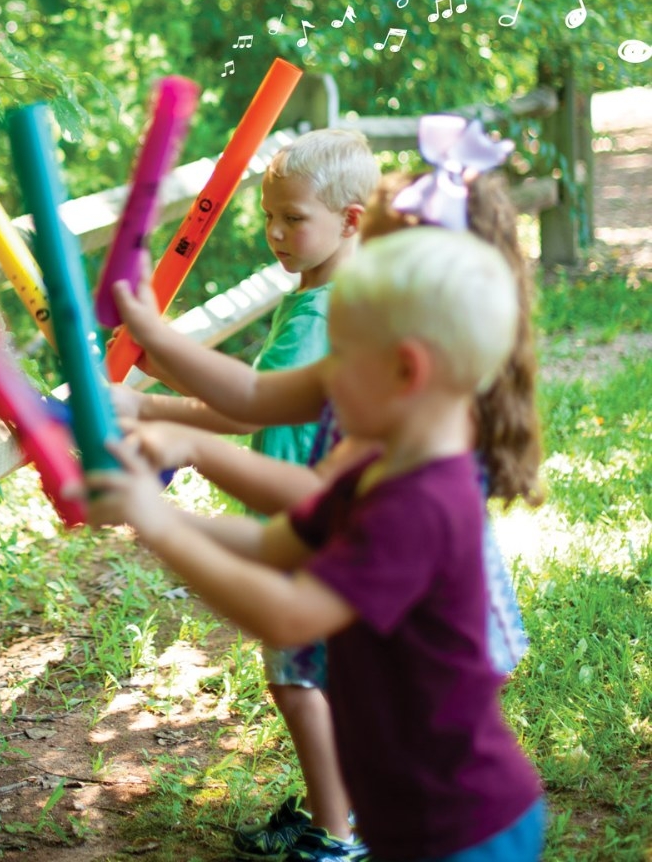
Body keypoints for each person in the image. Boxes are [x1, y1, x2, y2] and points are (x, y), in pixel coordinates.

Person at [83, 227, 547, 862]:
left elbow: (287, 612)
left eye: (337, 360)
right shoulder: (377, 464)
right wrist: (153, 515)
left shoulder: (421, 504)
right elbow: (275, 541)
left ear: (405, 370)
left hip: (463, 827)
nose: (319, 384)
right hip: (409, 813)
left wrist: (158, 524)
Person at [114, 128, 380, 860]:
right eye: (270, 215)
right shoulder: (341, 294)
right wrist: (156, 382)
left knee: (296, 680)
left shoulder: (318, 316)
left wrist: (148, 407)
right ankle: (349, 809)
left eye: (294, 218)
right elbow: (253, 394)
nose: (275, 233)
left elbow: (254, 406)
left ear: (350, 219)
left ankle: (337, 835)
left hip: (304, 525)